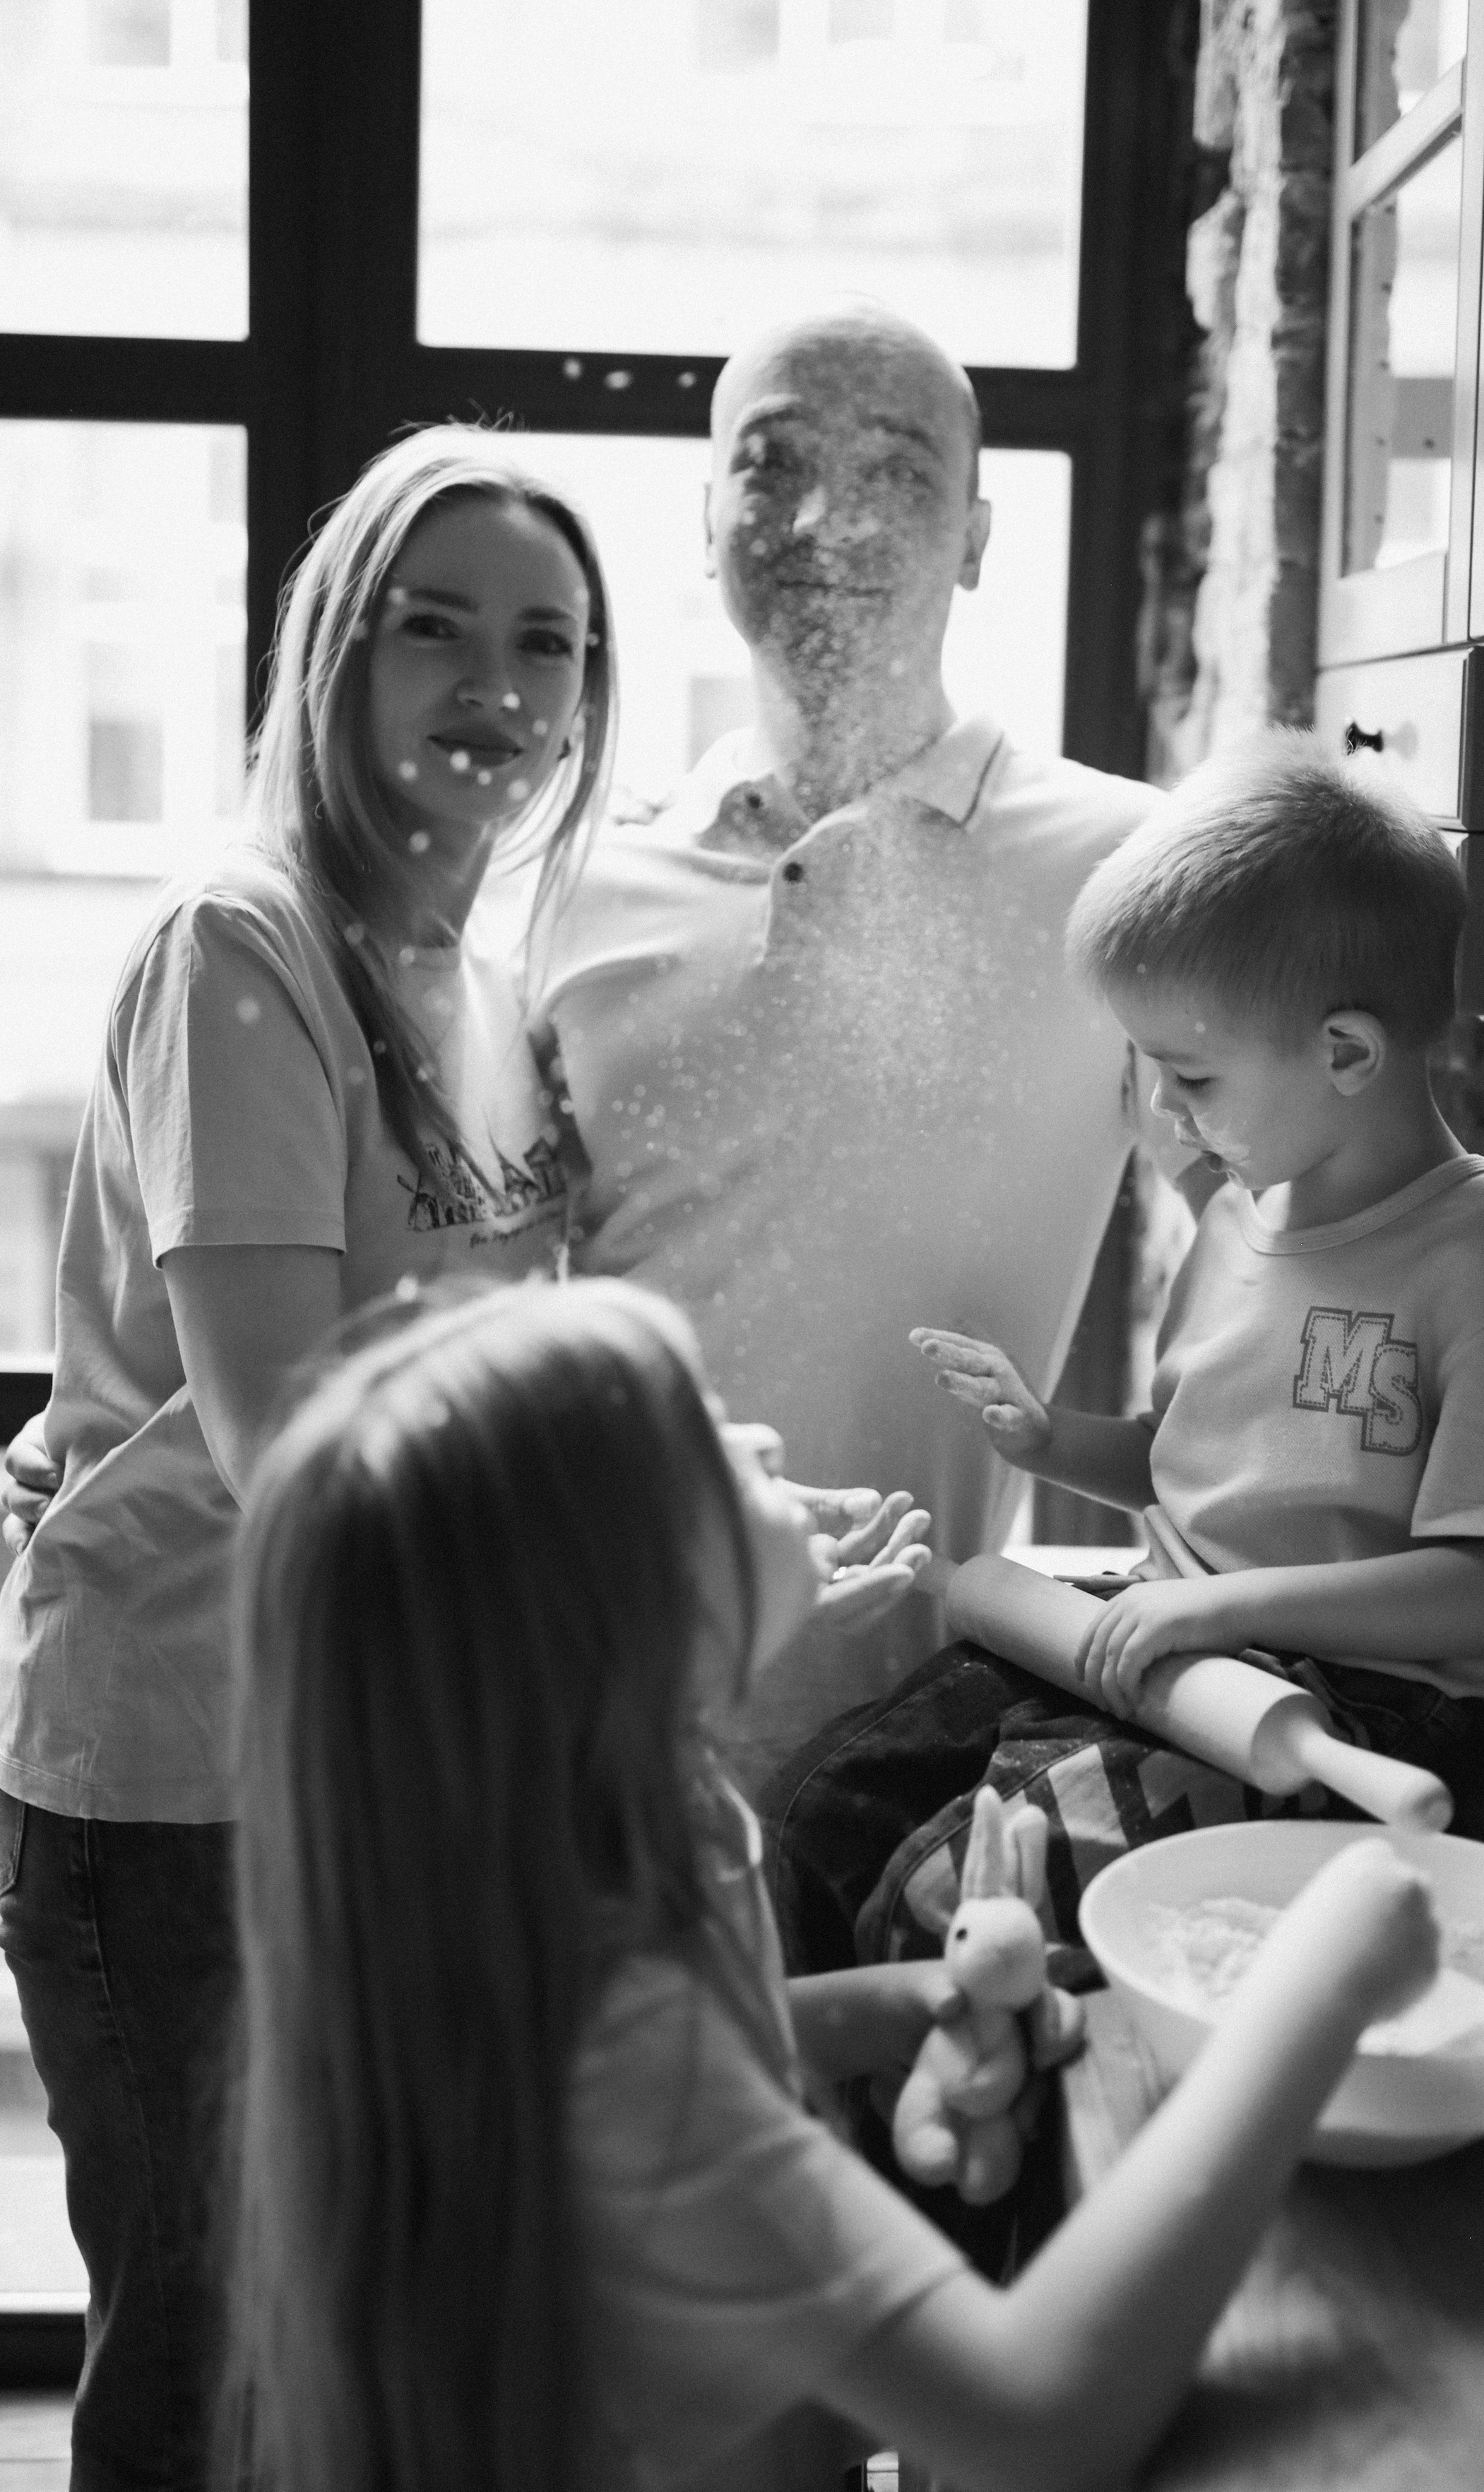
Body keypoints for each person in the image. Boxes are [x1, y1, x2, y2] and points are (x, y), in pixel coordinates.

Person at [0, 427, 920, 2492]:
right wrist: (661, 1560)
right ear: (333, 649)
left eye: (550, 646)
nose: (496, 691)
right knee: (201, 2344)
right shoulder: (244, 954)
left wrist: (717, 1473)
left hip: (361, 1749)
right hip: (174, 1767)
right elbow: (302, 1445)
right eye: (435, 631)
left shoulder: (479, 986)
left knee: (335, 2348)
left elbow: (481, 1373)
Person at [226, 1271, 1438, 2492]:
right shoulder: (630, 2065)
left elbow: (714, 2039)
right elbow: (1040, 2422)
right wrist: (1314, 1988)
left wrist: (900, 2010)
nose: (753, 1433)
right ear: (631, 1624)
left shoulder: (654, 1819)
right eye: (701, 1432)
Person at [543, 299, 1179, 1788]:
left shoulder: (1131, 871)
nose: (826, 516)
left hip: (908, 1756)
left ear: (974, 536)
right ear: (707, 525)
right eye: (770, 464)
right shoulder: (568, 886)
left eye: (896, 470)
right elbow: (468, 1287)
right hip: (577, 1724)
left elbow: (1290, 1234)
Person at [916, 735, 1484, 1718]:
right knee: (868, 1772)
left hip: (1364, 1717)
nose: (1161, 1107)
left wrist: (1220, 1611)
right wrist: (1047, 1439)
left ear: (1344, 1053)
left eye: (1192, 1075)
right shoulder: (1234, 1227)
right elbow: (1185, 1465)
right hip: (1186, 1656)